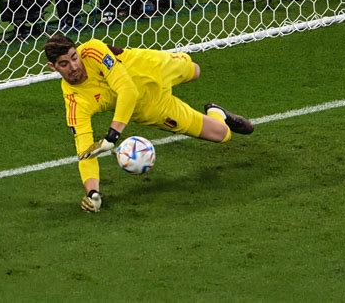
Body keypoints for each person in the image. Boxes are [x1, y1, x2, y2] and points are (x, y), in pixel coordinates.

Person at [44, 35, 254, 213]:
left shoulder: (93, 51)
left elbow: (128, 89)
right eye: (64, 64)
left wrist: (112, 136)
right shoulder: (75, 103)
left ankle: (195, 84)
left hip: (153, 67)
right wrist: (93, 193)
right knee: (222, 134)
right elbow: (85, 151)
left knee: (195, 70)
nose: (74, 66)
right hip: (151, 107)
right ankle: (217, 113)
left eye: (74, 57)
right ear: (53, 67)